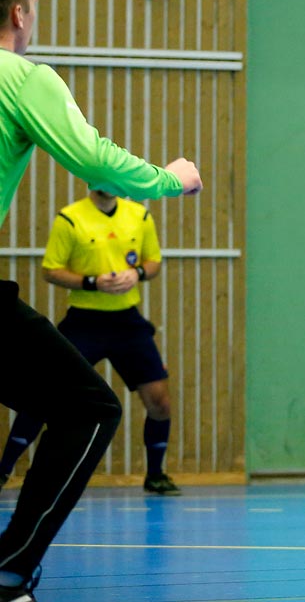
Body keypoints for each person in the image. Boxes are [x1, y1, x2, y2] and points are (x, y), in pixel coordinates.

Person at [0, 0, 202, 602]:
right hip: (83, 315)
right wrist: (168, 181)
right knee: (88, 409)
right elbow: (93, 155)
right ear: (22, 15)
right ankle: (9, 570)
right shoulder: (23, 78)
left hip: (126, 322)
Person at [0, 188, 180, 496]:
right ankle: (4, 470)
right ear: (90, 176)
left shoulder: (140, 215)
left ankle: (156, 474)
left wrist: (136, 274)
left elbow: (154, 262)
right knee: (44, 396)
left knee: (160, 401)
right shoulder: (70, 218)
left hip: (128, 323)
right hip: (84, 322)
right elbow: (51, 270)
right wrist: (92, 282)